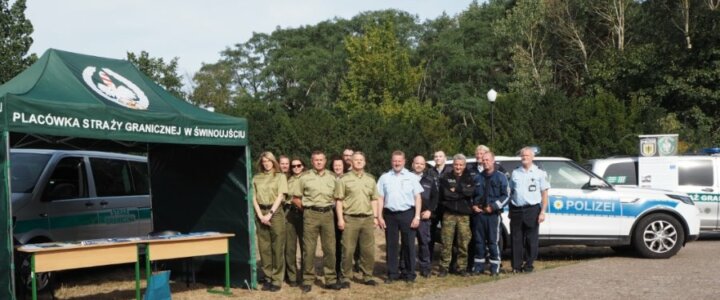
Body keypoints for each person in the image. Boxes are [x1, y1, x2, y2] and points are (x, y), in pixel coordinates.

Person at [291, 151, 340, 293]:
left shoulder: (332, 177)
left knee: (329, 248)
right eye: (316, 160)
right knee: (309, 249)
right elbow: (295, 198)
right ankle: (307, 280)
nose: (318, 162)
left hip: (327, 215)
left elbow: (337, 197)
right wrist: (306, 210)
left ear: (325, 161)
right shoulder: (304, 177)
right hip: (310, 214)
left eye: (321, 160)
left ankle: (330, 279)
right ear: (312, 162)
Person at [377, 150, 423, 283]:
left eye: (399, 161)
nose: (397, 163)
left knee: (408, 244)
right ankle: (392, 274)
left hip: (407, 213)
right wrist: (379, 216)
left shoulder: (411, 177)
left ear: (404, 161)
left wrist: (417, 216)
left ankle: (409, 274)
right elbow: (380, 198)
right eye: (394, 161)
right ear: (391, 161)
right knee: (391, 245)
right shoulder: (384, 177)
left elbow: (417, 197)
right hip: (390, 215)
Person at [335, 152, 380, 288]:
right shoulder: (344, 179)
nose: (359, 162)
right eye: (356, 160)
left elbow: (374, 199)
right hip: (350, 219)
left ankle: (368, 276)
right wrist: (340, 219)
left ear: (365, 162)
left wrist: (376, 217)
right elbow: (339, 200)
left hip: (367, 219)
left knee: (368, 251)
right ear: (351, 162)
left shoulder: (370, 179)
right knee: (348, 250)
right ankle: (346, 277)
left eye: (361, 160)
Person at [509, 147, 550, 273]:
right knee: (516, 238)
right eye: (522, 156)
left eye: (527, 155)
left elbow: (544, 194)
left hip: (532, 209)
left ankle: (529, 265)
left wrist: (542, 211)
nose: (524, 158)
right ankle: (516, 266)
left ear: (532, 157)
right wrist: (510, 210)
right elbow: (510, 191)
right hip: (516, 209)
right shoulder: (515, 173)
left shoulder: (540, 173)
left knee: (531, 239)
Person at [252, 151, 288, 292]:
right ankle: (267, 278)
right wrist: (261, 215)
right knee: (264, 248)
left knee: (277, 247)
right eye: (264, 161)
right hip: (260, 213)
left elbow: (281, 196)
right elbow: (253, 197)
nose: (266, 163)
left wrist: (270, 214)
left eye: (269, 160)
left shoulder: (280, 176)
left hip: (276, 213)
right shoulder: (256, 177)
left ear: (274, 162)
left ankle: (277, 279)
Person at [471, 151, 509, 276]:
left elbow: (506, 195)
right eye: (483, 160)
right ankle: (478, 266)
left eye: (488, 160)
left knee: (493, 241)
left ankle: (494, 267)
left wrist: (493, 207)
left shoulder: (500, 177)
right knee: (479, 241)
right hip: (479, 215)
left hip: (493, 215)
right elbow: (472, 195)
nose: (485, 162)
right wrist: (473, 206)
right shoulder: (477, 177)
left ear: (493, 161)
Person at [437, 154, 475, 277]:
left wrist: (457, 189)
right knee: (446, 242)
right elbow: (446, 194)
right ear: (452, 165)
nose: (458, 167)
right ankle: (444, 267)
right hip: (449, 214)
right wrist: (462, 191)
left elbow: (470, 192)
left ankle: (461, 267)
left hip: (464, 215)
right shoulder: (446, 177)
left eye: (461, 165)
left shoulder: (469, 177)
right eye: (456, 165)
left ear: (464, 166)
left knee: (463, 242)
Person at [411, 155, 439, 277]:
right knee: (408, 243)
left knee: (424, 243)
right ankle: (406, 266)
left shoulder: (430, 179)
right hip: (409, 215)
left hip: (424, 217)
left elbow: (435, 197)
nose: (419, 166)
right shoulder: (406, 178)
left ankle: (425, 268)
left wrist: (430, 211)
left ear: (424, 166)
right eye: (417, 163)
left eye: (422, 164)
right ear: (413, 164)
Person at [284, 157, 305, 287]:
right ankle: (292, 277)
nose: (296, 168)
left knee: (305, 247)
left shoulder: (308, 178)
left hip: (304, 214)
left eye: (298, 165)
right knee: (290, 247)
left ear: (303, 166)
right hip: (289, 214)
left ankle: (304, 276)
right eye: (293, 166)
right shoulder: (288, 179)